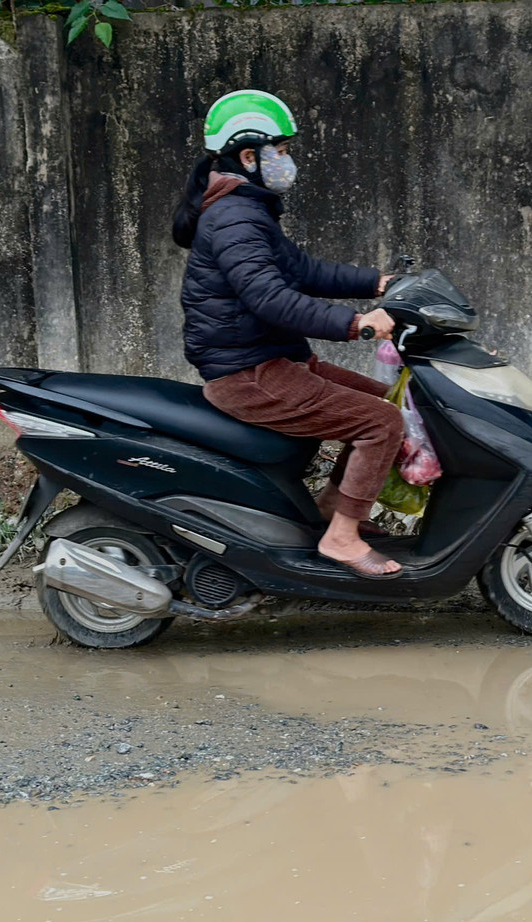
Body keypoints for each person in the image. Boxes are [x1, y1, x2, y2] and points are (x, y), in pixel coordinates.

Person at [173, 89, 404, 578]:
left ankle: (330, 508)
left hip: (274, 360)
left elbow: (301, 269)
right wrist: (356, 322)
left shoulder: (247, 209)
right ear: (249, 155)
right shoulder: (234, 216)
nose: (288, 159)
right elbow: (269, 297)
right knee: (381, 422)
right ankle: (342, 539)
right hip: (250, 372)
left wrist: (377, 282)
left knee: (392, 402)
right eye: (281, 149)